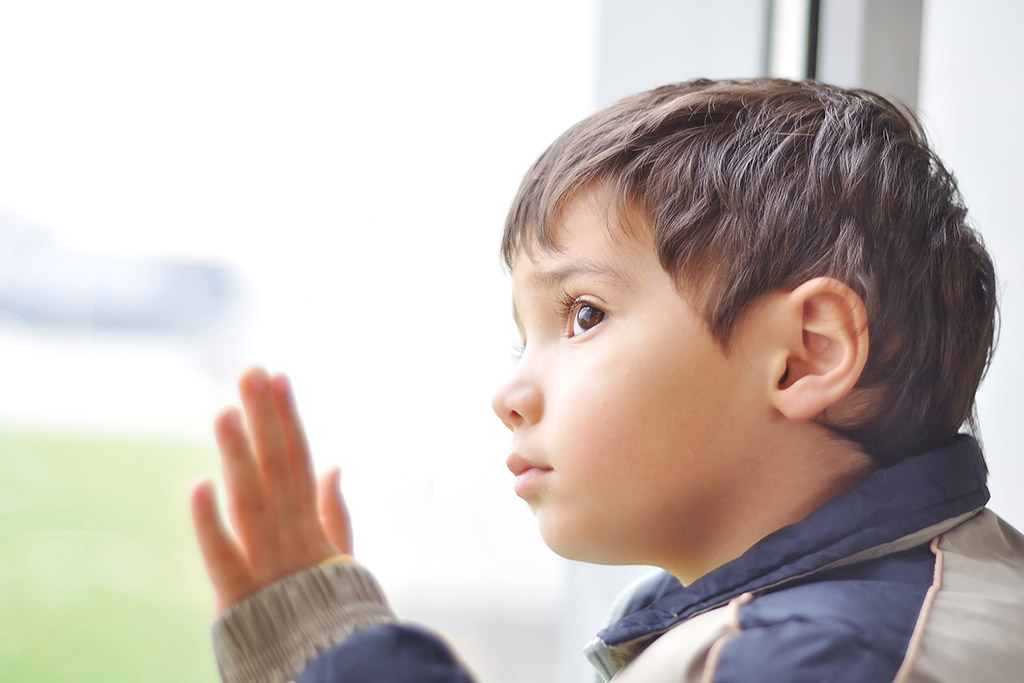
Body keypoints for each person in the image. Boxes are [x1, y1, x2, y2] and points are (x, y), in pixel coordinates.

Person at [189, 78, 1024, 683]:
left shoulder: (821, 655)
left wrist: (339, 657)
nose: (510, 393)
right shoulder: (907, 596)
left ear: (806, 354)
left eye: (582, 314)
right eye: (521, 336)